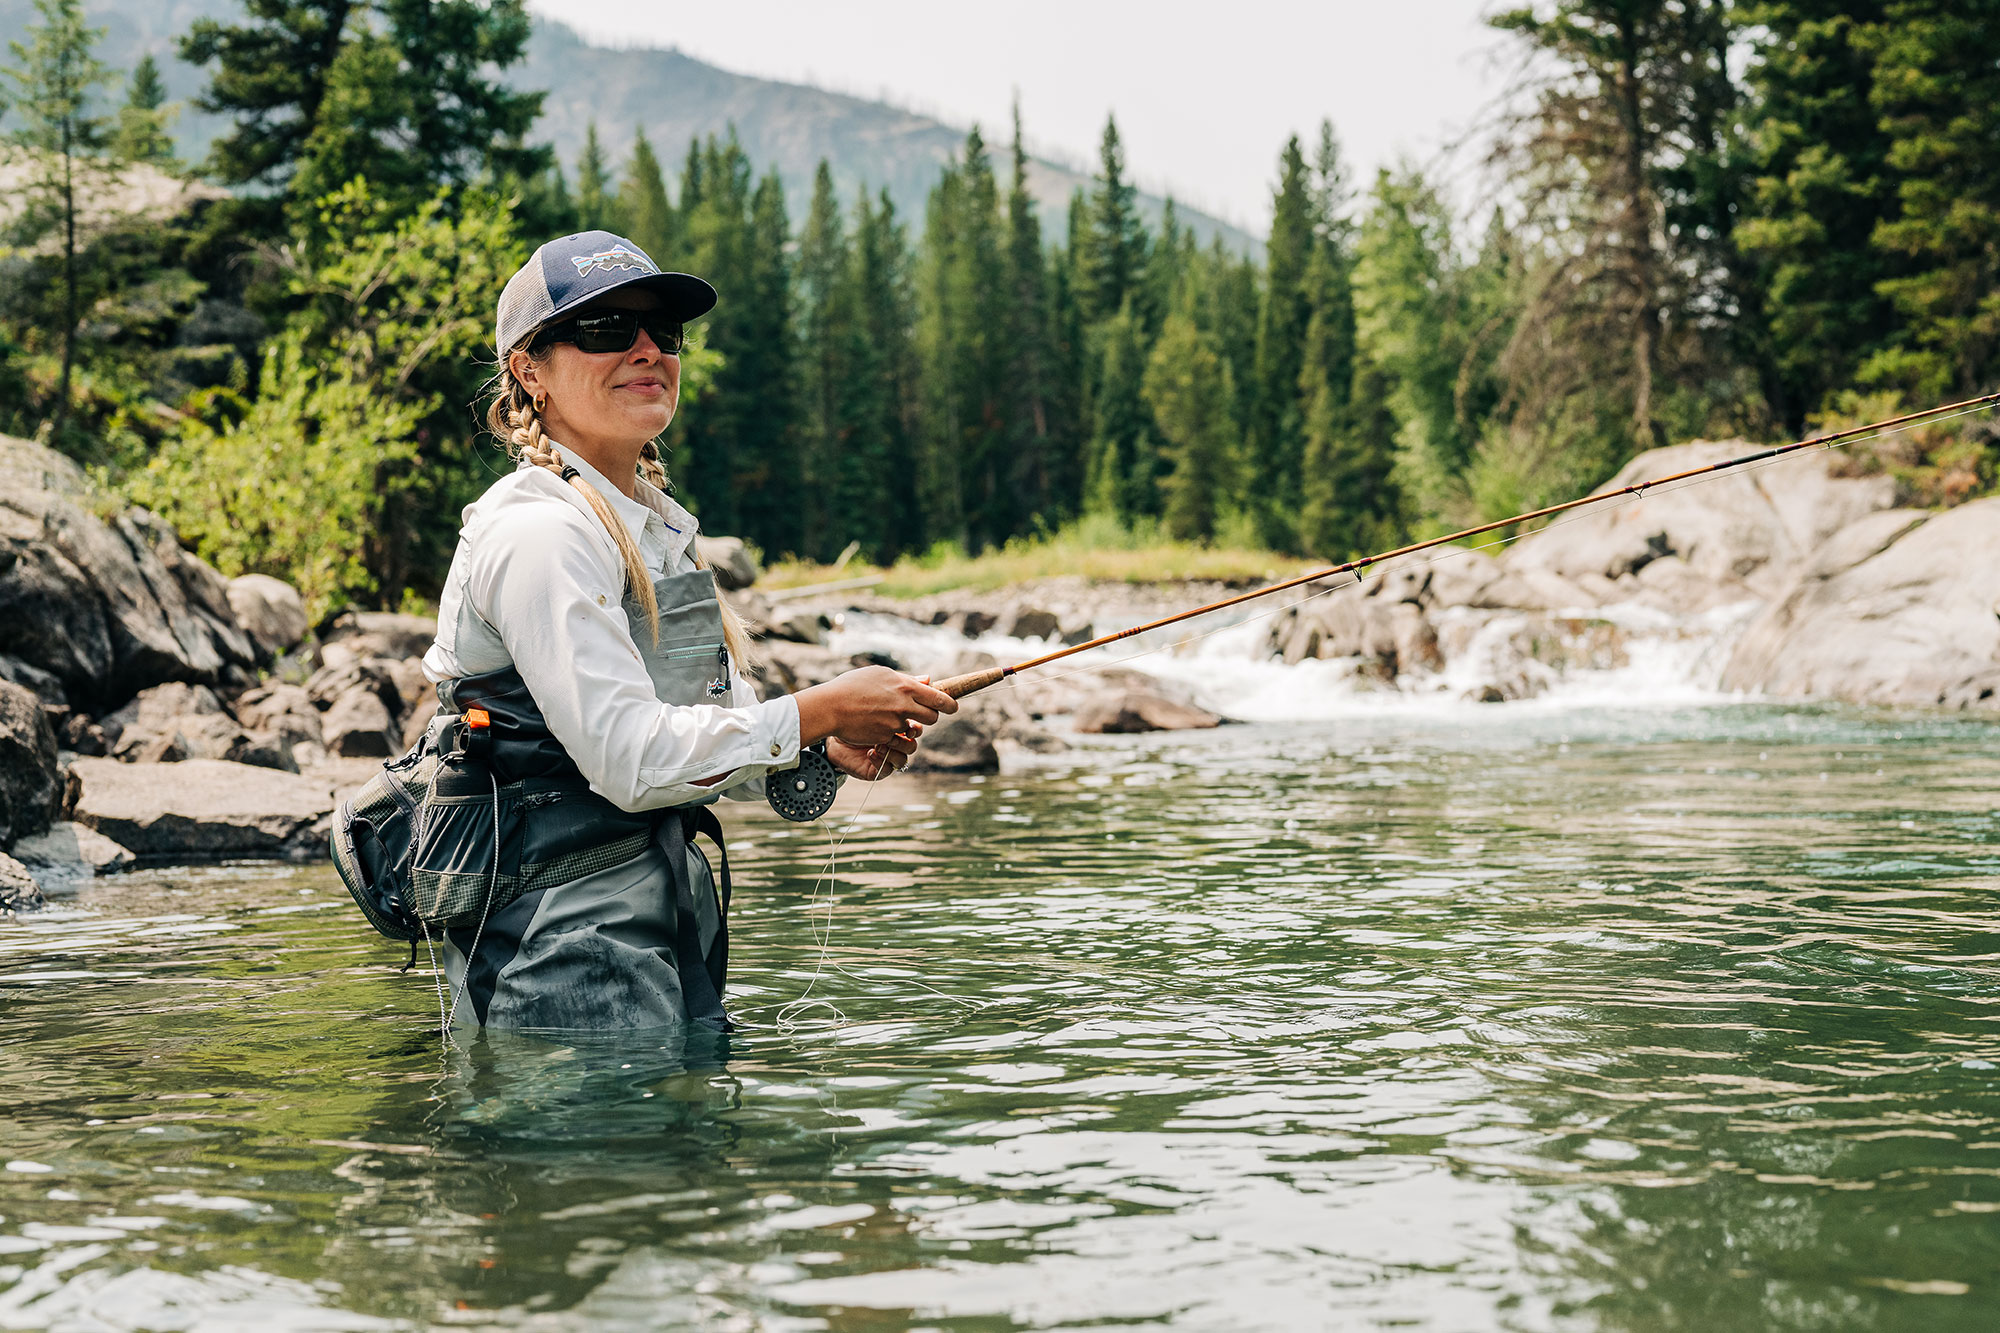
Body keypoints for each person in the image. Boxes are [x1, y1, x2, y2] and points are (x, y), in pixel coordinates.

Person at [414, 230, 957, 1032]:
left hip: (654, 933)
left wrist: (817, 752)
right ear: (530, 371)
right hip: (555, 961)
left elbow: (698, 730)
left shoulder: (657, 529)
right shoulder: (539, 535)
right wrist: (820, 711)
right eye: (605, 329)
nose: (646, 350)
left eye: (662, 333)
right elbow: (632, 761)